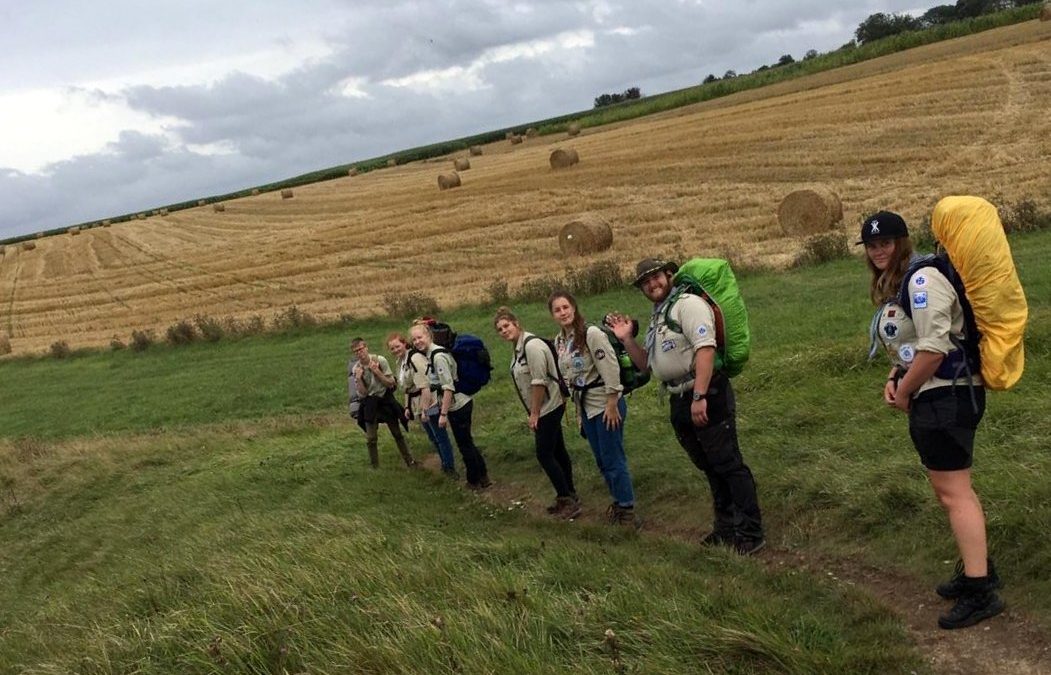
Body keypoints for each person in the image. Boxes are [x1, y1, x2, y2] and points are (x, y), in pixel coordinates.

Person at [859, 210, 1003, 630]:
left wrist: (903, 393)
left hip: (946, 395)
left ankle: (981, 591)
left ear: (902, 241)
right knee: (951, 492)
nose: (878, 249)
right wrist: (895, 376)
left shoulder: (921, 281)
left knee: (955, 494)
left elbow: (935, 350)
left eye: (885, 241)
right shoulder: (904, 283)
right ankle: (979, 570)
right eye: (871, 244)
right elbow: (913, 344)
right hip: (938, 394)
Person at [608, 258, 764, 554]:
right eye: (645, 282)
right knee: (708, 465)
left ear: (669, 275)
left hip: (705, 393)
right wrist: (627, 339)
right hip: (679, 397)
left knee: (728, 463)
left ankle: (751, 532)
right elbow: (648, 366)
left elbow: (706, 348)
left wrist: (699, 396)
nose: (652, 284)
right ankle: (726, 527)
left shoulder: (687, 305)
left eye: (655, 277)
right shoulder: (659, 314)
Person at [549, 290, 638, 528]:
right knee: (601, 459)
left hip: (605, 403)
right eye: (557, 310)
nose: (563, 313)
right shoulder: (560, 342)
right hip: (586, 406)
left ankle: (627, 510)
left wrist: (612, 403)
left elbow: (609, 367)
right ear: (552, 315)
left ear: (574, 308)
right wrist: (579, 414)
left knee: (612, 457)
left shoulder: (591, 334)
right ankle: (618, 502)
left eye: (565, 307)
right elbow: (571, 378)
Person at [494, 306, 580, 519]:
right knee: (558, 450)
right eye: (500, 329)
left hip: (548, 406)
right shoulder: (518, 348)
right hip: (545, 407)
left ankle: (566, 499)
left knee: (544, 454)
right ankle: (570, 494)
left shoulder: (531, 346)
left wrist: (534, 413)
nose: (504, 331)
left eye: (507, 326)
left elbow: (538, 381)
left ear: (517, 323)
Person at [409, 322, 491, 489]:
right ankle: (483, 476)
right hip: (460, 402)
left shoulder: (438, 357)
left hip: (458, 405)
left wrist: (443, 414)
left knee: (464, 444)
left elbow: (448, 387)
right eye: (414, 339)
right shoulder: (433, 354)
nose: (417, 341)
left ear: (429, 336)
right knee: (467, 441)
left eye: (420, 337)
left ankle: (473, 480)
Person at [387, 332, 457, 476]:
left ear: (404, 344)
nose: (395, 350)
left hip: (429, 401)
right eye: (392, 348)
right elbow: (407, 386)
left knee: (439, 435)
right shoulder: (400, 361)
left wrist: (425, 410)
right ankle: (444, 463)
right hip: (416, 403)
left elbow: (425, 386)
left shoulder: (415, 358)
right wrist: (407, 406)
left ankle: (449, 467)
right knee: (432, 436)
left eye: (397, 346)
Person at [351, 337, 416, 468]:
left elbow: (390, 383)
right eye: (356, 351)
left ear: (366, 348)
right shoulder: (356, 368)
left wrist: (377, 372)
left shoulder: (379, 360)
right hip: (370, 402)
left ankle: (410, 461)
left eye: (361, 349)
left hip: (385, 400)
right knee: (371, 438)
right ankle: (375, 466)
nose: (359, 353)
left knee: (397, 433)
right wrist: (358, 379)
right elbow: (362, 393)